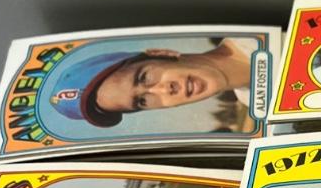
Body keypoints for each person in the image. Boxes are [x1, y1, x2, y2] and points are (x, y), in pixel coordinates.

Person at [48, 36, 263, 127]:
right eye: (142, 101)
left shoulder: (255, 31)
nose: (164, 90)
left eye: (144, 77)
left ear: (161, 53)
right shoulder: (260, 109)